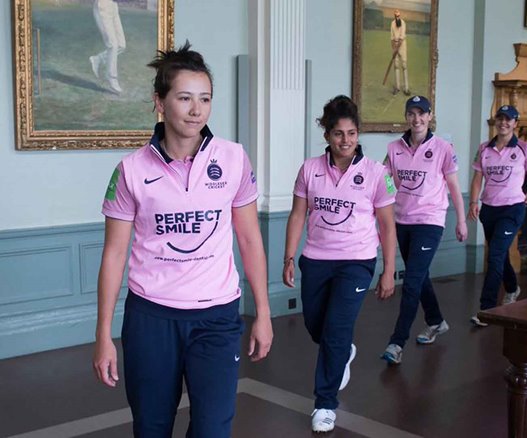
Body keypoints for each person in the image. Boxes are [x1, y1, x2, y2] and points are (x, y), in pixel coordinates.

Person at [93, 42, 273, 437]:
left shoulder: (234, 158)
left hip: (217, 317)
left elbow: (249, 239)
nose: (197, 110)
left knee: (212, 428)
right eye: (185, 98)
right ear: (160, 102)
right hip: (151, 318)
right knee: (152, 427)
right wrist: (103, 334)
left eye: (205, 99)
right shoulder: (130, 171)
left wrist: (263, 311)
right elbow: (114, 253)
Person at [283, 95, 397, 433]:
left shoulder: (377, 173)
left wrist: (388, 270)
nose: (345, 141)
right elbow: (298, 214)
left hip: (358, 261)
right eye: (338, 134)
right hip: (316, 260)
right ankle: (343, 349)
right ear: (327, 136)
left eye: (351, 133)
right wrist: (289, 257)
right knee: (316, 325)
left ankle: (324, 403)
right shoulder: (310, 169)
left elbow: (388, 225)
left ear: (358, 134)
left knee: (333, 330)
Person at [382, 95, 467, 364]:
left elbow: (453, 186)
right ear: (406, 116)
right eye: (412, 113)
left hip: (430, 221)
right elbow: (383, 182)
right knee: (420, 278)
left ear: (430, 116)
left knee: (411, 281)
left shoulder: (443, 148)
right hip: (402, 221)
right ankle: (436, 321)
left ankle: (397, 343)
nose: (416, 119)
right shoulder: (394, 148)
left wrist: (462, 220)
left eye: (422, 113)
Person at [467, 105, 527, 326]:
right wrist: (473, 202)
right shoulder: (484, 148)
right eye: (500, 118)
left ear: (515, 123)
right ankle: (513, 288)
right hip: (489, 209)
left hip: (513, 209)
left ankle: (487, 308)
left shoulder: (524, 148)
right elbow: (477, 178)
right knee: (500, 254)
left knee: (494, 255)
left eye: (508, 119)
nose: (503, 123)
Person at [89, 0, 126, 94]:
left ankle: (97, 59)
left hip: (114, 6)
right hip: (103, 6)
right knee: (112, 45)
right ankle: (111, 77)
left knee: (121, 45)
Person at [390, 9, 410, 96]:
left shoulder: (403, 23)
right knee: (396, 65)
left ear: (400, 16)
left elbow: (402, 36)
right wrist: (394, 46)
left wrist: (399, 44)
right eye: (395, 16)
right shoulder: (392, 23)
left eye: (398, 16)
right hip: (394, 45)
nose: (397, 17)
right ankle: (397, 87)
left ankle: (406, 88)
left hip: (402, 45)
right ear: (394, 16)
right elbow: (392, 36)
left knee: (404, 65)